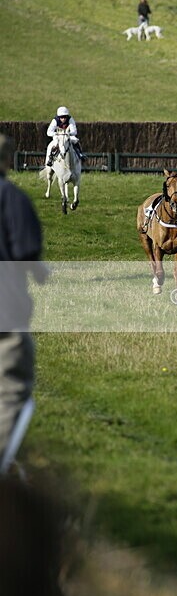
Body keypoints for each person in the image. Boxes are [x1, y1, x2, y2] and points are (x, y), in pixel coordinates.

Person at [0, 134, 49, 474]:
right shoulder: (12, 199)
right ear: (6, 161)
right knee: (11, 393)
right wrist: (42, 272)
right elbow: (26, 253)